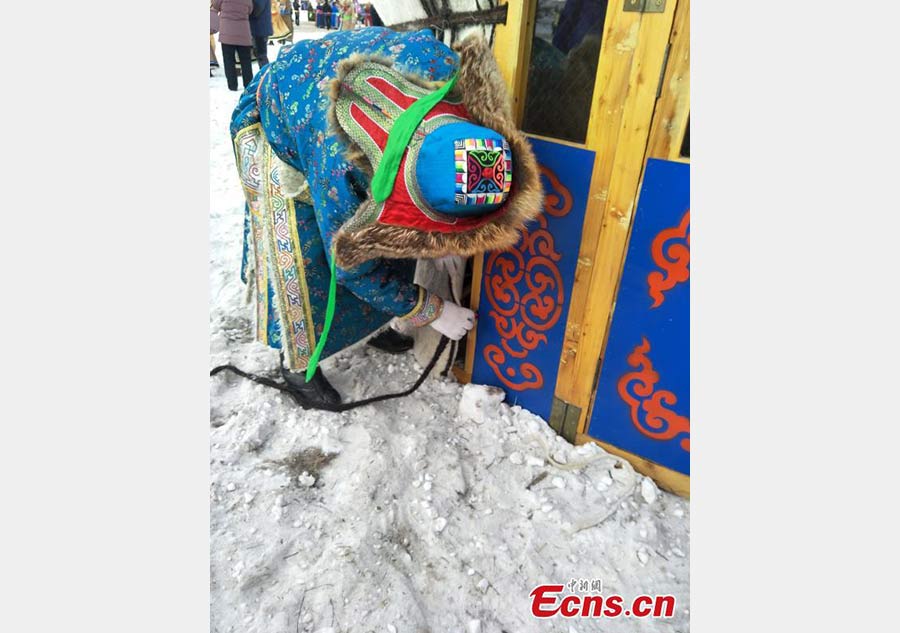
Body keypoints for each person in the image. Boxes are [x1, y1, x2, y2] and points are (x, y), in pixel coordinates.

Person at [228, 28, 543, 407]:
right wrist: (434, 310)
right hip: (279, 116)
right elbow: (351, 266)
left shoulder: (451, 78)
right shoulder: (341, 170)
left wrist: (447, 235)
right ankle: (297, 366)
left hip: (322, 96)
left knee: (398, 247)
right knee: (303, 255)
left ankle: (373, 323)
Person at [213, 0, 255, 91]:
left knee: (228, 60)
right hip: (243, 32)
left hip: (227, 32)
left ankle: (232, 85)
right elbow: (250, 9)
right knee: (246, 61)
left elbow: (215, 5)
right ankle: (248, 84)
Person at [249, 0, 272, 70]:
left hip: (260, 29)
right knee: (260, 54)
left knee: (261, 55)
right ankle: (265, 74)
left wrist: (246, 11)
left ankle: (266, 75)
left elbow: (257, 10)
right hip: (260, 28)